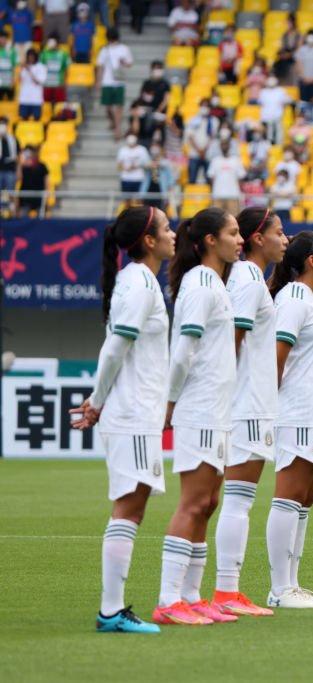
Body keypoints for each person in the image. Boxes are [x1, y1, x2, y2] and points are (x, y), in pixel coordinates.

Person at [69, 206, 175, 634]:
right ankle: (110, 611)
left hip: (137, 412)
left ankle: (112, 610)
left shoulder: (139, 281)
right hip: (131, 413)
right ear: (148, 240)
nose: (173, 233)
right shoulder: (140, 284)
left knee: (134, 505)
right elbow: (115, 347)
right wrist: (97, 401)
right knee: (129, 506)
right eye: (166, 227)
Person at [155, 208, 243, 626]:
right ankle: (168, 599)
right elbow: (183, 351)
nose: (240, 240)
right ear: (210, 240)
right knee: (193, 502)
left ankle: (191, 596)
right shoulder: (200, 284)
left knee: (209, 503)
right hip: (199, 408)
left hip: (217, 410)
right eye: (233, 232)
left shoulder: (214, 284)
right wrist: (170, 402)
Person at [200, 208, 285, 617]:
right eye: (278, 232)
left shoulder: (248, 278)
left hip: (250, 403)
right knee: (238, 500)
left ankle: (227, 590)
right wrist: (227, 394)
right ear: (257, 238)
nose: (284, 239)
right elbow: (232, 339)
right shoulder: (249, 279)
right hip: (247, 404)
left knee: (236, 500)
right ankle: (226, 591)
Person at [263, 231, 313, 609]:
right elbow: (276, 357)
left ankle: (291, 583)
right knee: (289, 495)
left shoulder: (308, 299)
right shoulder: (294, 297)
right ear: (312, 260)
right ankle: (280, 589)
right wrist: (270, 407)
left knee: (304, 499)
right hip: (298, 412)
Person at [96, 29, 133, 141]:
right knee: (107, 107)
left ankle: (117, 131)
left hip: (119, 81)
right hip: (107, 81)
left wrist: (124, 63)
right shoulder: (104, 50)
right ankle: (113, 121)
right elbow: (101, 67)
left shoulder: (124, 49)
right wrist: (99, 81)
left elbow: (129, 64)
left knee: (118, 107)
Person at [208, 142, 245, 215]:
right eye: (222, 144)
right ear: (220, 147)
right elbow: (211, 177)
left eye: (226, 144)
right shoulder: (215, 160)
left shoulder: (236, 160)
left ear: (229, 146)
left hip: (233, 196)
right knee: (216, 218)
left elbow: (241, 178)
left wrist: (239, 192)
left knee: (234, 217)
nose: (224, 146)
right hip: (218, 195)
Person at [15, 145, 51, 217]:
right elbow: (19, 178)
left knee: (40, 219)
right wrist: (20, 164)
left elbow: (47, 180)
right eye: (26, 153)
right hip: (25, 196)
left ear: (34, 153)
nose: (28, 155)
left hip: (38, 196)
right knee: (23, 219)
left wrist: (46, 193)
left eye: (29, 152)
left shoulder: (41, 166)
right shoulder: (22, 166)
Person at [257, 77, 293, 147]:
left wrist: (289, 99)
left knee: (279, 132)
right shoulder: (263, 91)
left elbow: (286, 101)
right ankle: (268, 145)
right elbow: (260, 102)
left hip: (277, 116)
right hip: (266, 117)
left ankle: (279, 146)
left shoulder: (281, 91)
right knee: (268, 134)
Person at [17, 49, 46, 121]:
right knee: (24, 119)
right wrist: (21, 68)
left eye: (32, 57)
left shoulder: (41, 67)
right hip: (24, 98)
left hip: (36, 99)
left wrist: (29, 70)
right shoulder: (24, 67)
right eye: (29, 57)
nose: (31, 59)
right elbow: (20, 79)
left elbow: (37, 82)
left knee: (37, 119)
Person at [40, 35, 69, 104]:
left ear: (57, 42)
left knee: (60, 104)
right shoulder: (44, 53)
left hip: (58, 84)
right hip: (47, 84)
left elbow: (66, 69)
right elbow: (41, 68)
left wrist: (65, 81)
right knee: (45, 104)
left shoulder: (63, 54)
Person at [0, 117, 20, 214]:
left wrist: (19, 170)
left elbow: (18, 155)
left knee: (11, 193)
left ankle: (13, 213)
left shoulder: (13, 138)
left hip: (10, 170)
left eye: (4, 124)